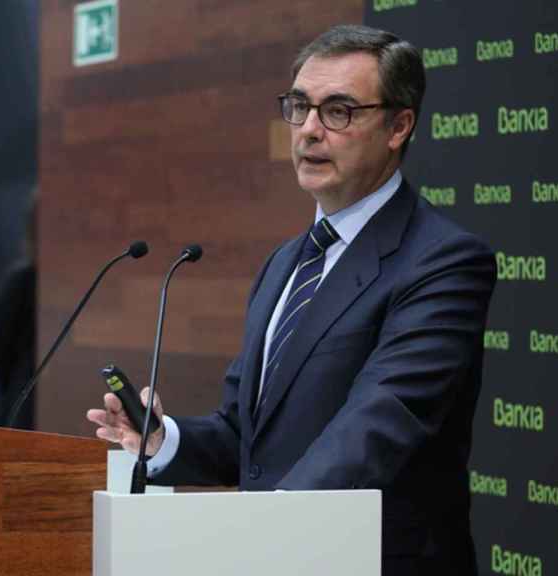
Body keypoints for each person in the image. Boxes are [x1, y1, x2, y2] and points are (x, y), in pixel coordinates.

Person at [87, 24, 495, 575]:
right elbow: (244, 435)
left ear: (399, 125)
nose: (307, 131)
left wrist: (262, 531)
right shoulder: (285, 263)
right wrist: (162, 441)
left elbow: (380, 422)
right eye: (299, 106)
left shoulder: (443, 261)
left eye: (339, 111)